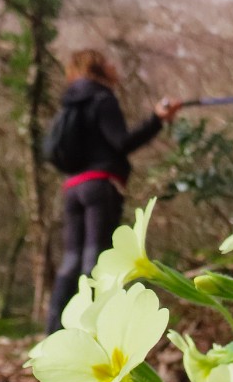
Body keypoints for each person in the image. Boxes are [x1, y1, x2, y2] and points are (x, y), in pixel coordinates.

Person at [45, 49, 181, 333]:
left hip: (72, 188)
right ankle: (96, 329)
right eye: (107, 62)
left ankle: (54, 331)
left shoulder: (68, 105)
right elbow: (121, 143)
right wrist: (157, 119)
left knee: (71, 260)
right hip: (100, 185)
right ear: (97, 68)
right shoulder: (102, 98)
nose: (113, 66)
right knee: (96, 258)